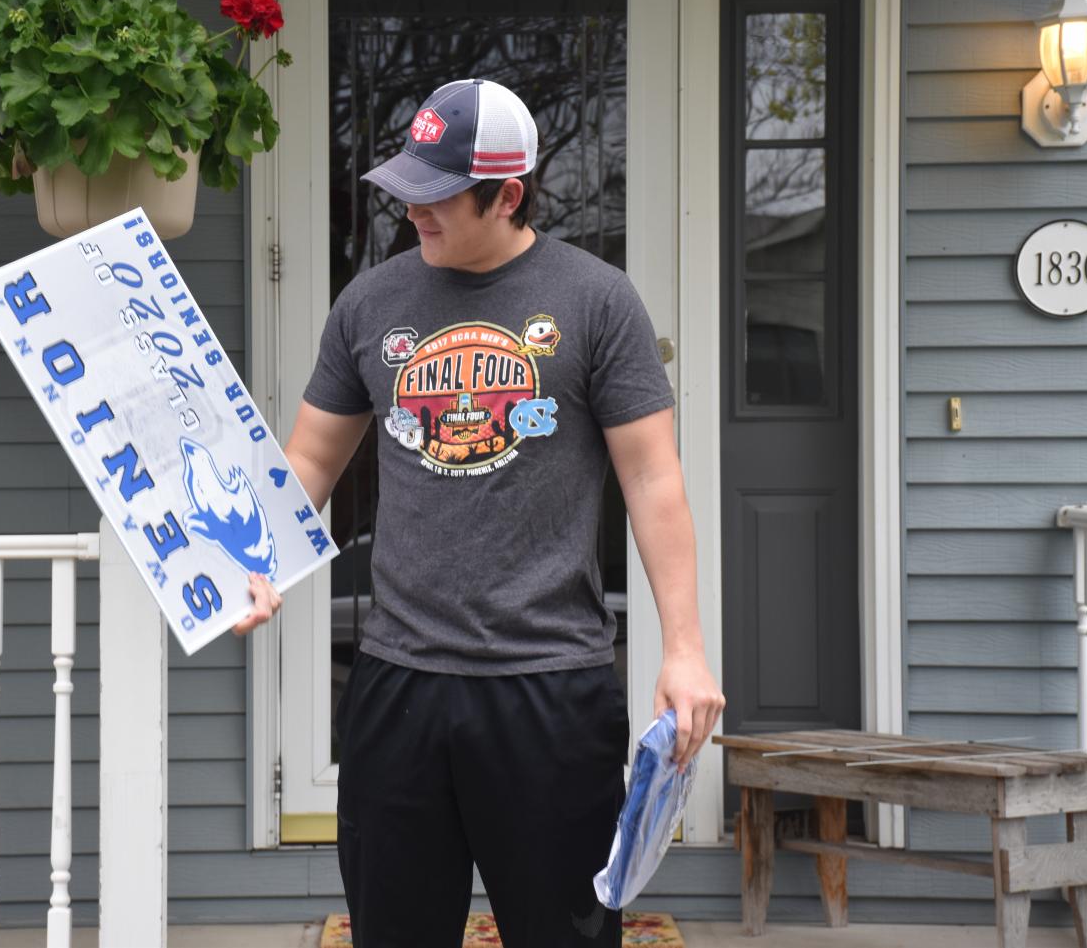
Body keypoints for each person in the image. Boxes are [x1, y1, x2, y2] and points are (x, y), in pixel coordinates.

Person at [233, 78, 724, 947]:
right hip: (397, 685)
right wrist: (256, 558)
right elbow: (310, 456)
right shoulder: (369, 304)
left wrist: (684, 650)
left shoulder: (597, 302)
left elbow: (653, 481)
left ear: (508, 195)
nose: (412, 210)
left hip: (549, 686)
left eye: (437, 194)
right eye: (407, 187)